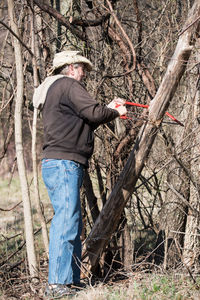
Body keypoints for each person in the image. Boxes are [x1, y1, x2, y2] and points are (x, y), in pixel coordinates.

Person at [33, 50, 127, 299]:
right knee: (66, 222)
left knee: (71, 221)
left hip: (58, 164)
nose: (84, 73)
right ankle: (57, 286)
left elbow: (86, 119)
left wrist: (109, 109)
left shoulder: (54, 90)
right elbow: (95, 113)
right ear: (71, 68)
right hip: (64, 164)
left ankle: (70, 282)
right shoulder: (67, 84)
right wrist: (115, 110)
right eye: (82, 68)